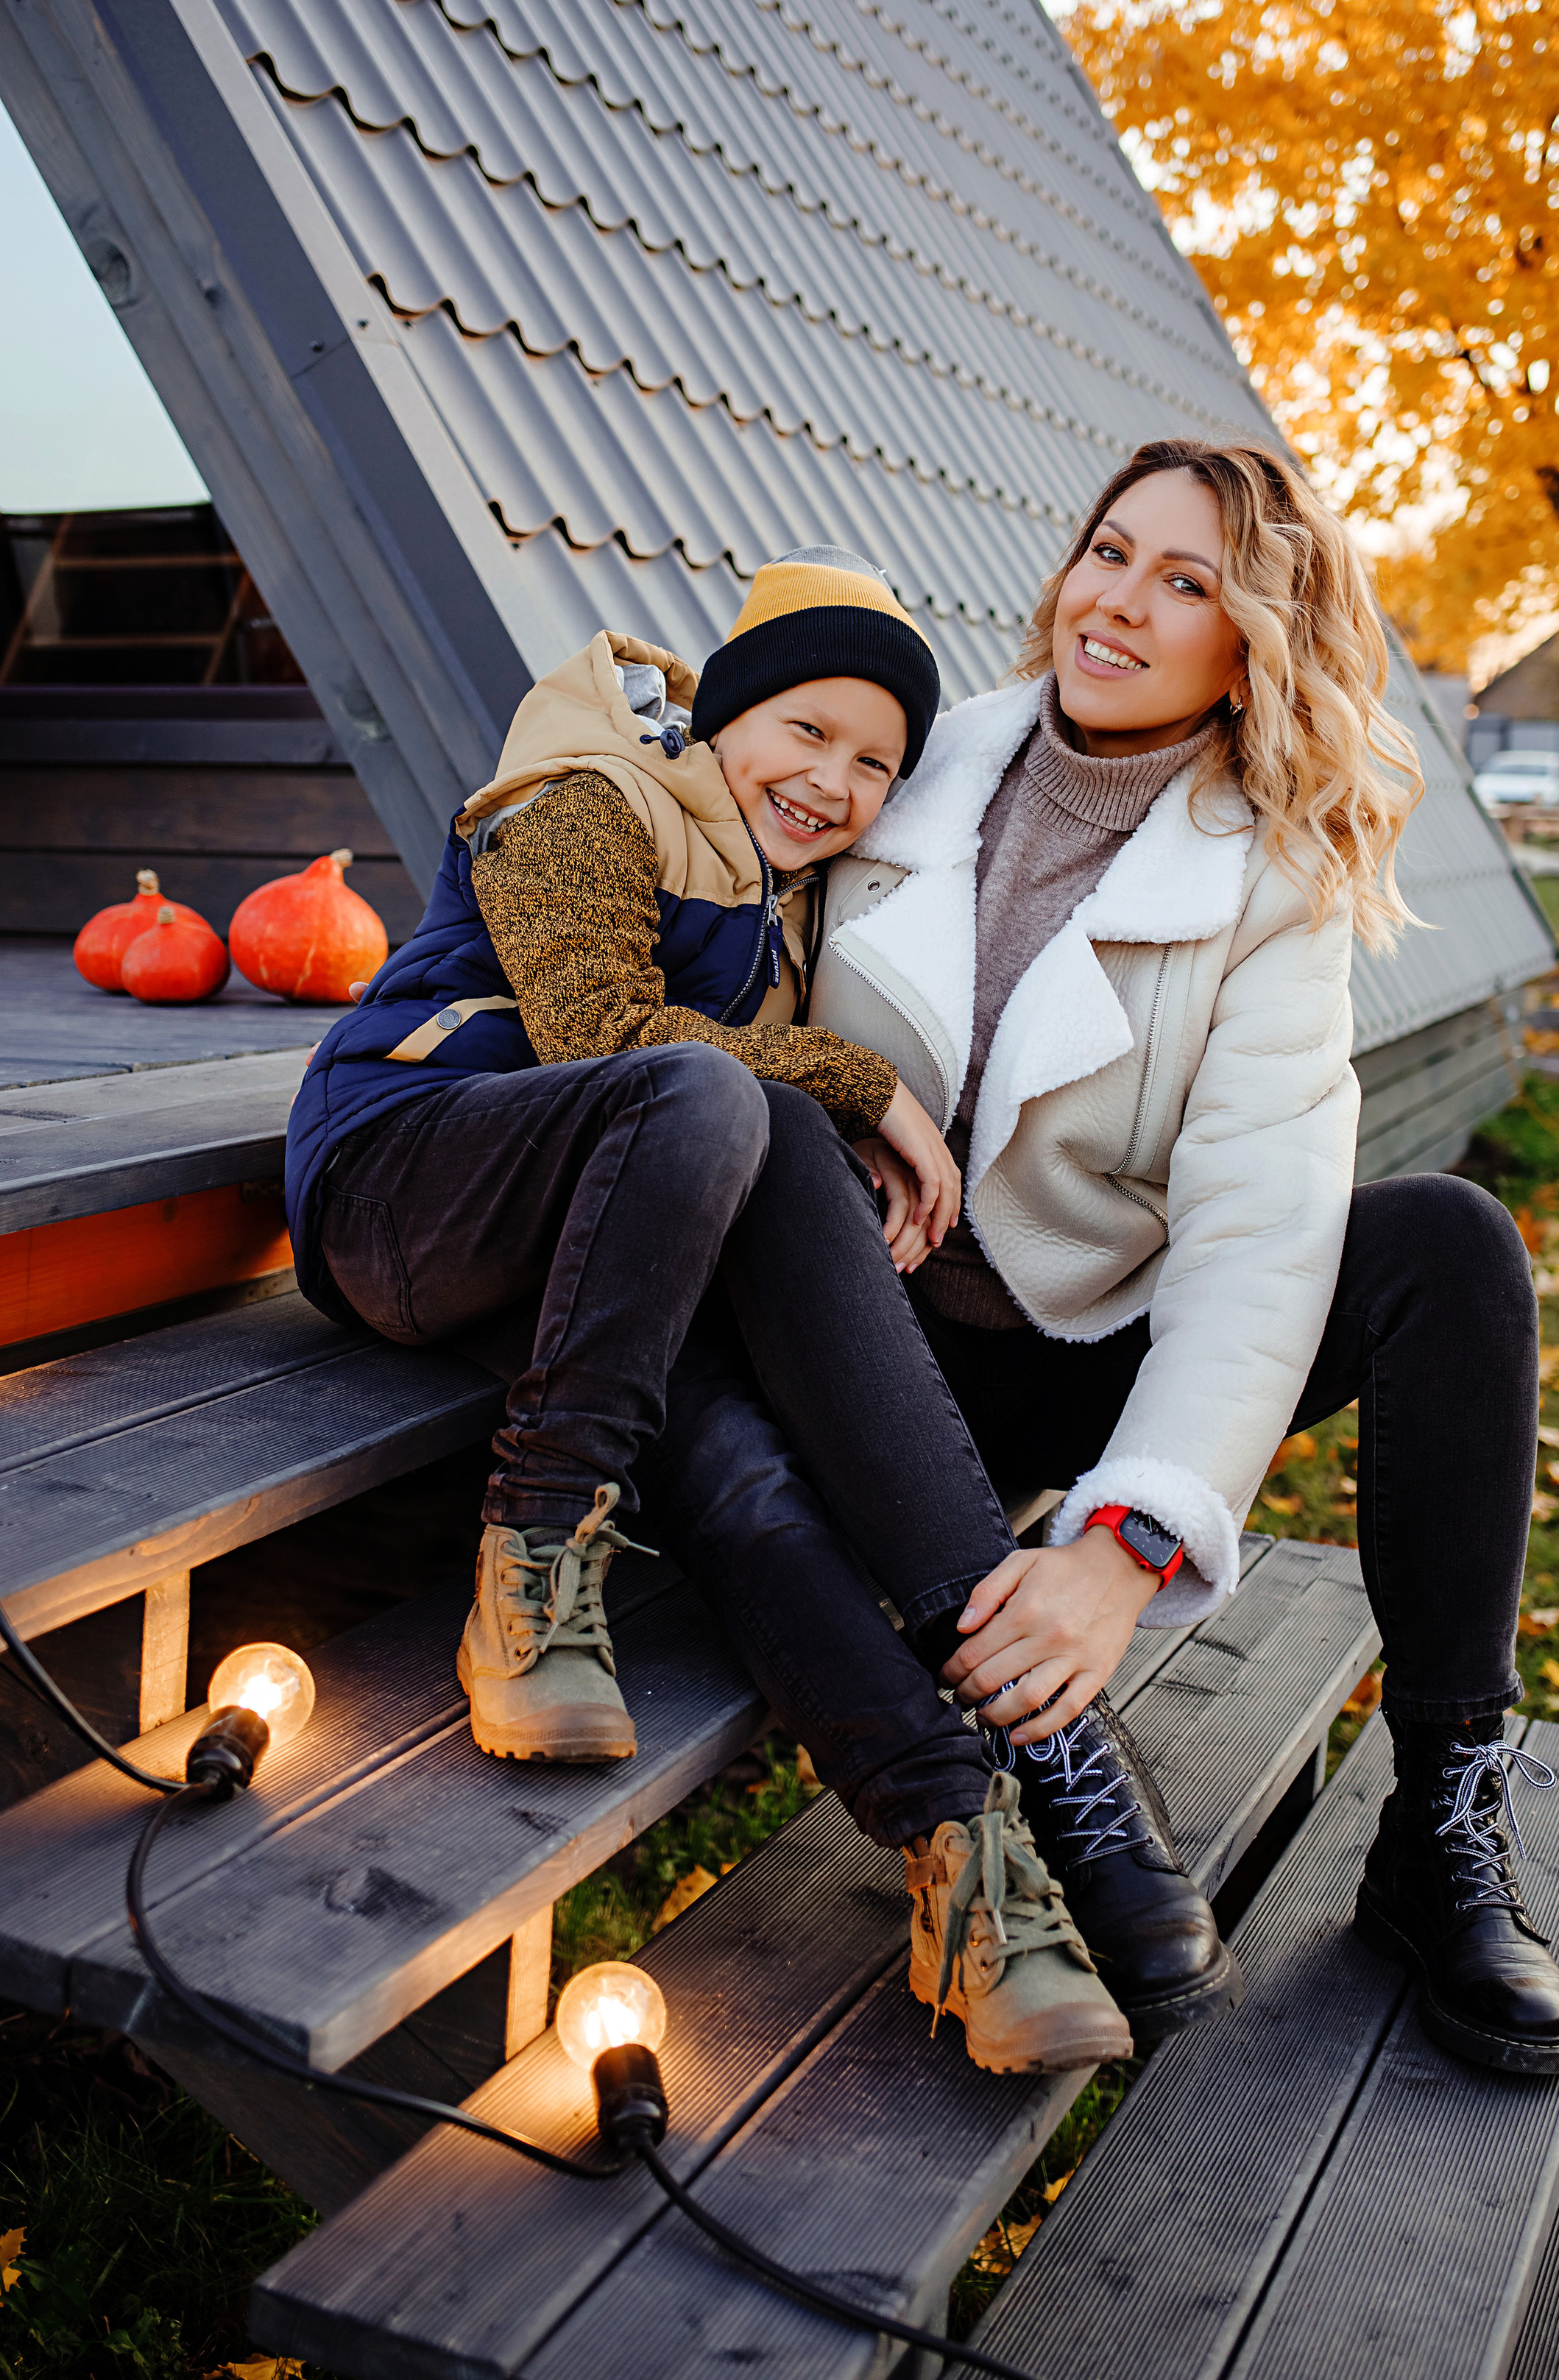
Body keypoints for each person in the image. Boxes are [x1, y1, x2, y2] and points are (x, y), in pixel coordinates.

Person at [283, 550, 1217, 2078]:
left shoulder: (774, 919)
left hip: (577, 1260)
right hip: (408, 1178)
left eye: (875, 764)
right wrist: (854, 1085)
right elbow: (600, 1040)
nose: (834, 782)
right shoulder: (582, 799)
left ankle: (959, 1851)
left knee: (744, 1471)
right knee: (714, 1092)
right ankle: (533, 1545)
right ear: (723, 716)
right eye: (806, 731)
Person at [777, 435, 1559, 2080]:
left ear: (1249, 645)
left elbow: (1260, 1230)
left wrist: (1120, 1546)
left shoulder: (1268, 877)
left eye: (1184, 581)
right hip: (853, 1331)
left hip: (1081, 1343)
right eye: (1107, 552)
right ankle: (1053, 1755)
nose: (1115, 604)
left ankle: (1443, 1830)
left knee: (1448, 1246)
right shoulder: (904, 763)